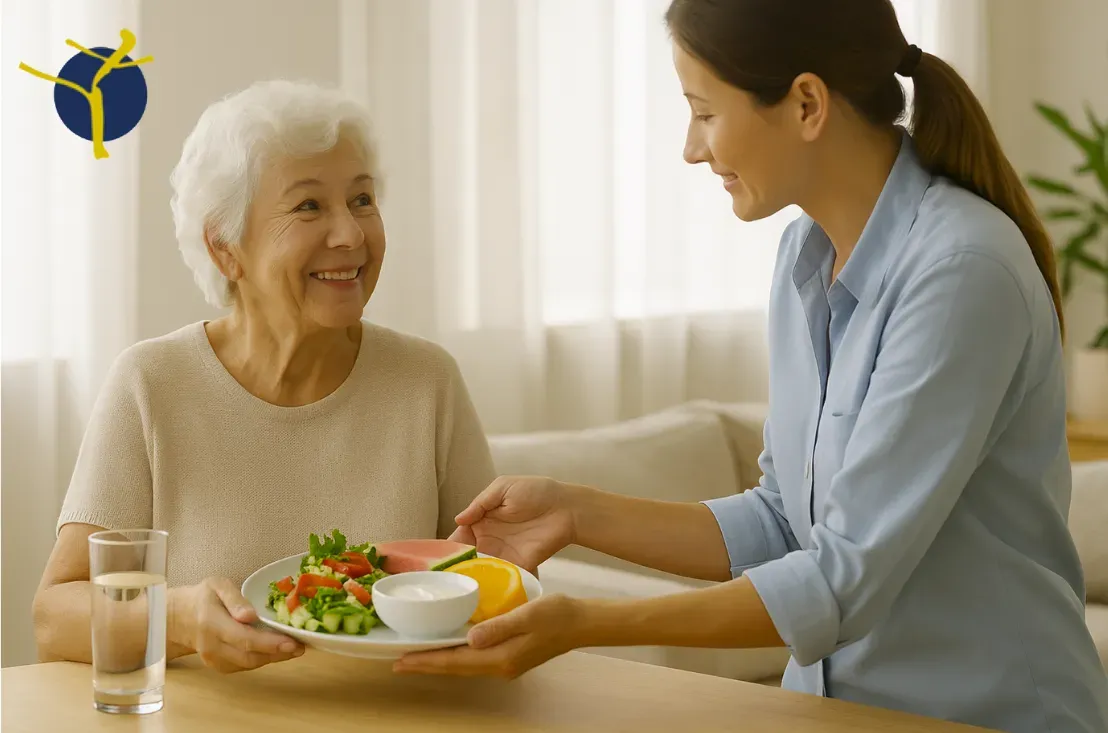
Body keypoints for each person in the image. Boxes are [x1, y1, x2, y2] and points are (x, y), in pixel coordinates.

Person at [392, 2, 1108, 731]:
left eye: (703, 112)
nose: (691, 148)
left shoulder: (962, 272)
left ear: (806, 104)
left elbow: (839, 578)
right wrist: (576, 512)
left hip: (990, 715)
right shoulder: (806, 254)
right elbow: (784, 520)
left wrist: (585, 625)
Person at [32, 80, 496, 674]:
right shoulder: (152, 383)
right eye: (309, 206)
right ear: (226, 249)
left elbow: (493, 583)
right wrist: (175, 619)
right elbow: (54, 618)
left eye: (361, 200)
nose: (351, 235)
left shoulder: (426, 380)